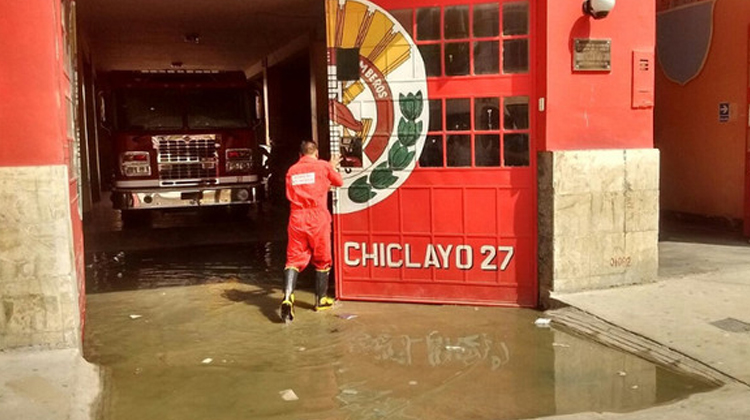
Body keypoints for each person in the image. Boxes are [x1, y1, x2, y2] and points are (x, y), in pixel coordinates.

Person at [280, 140, 343, 322]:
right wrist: (331, 166)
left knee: (293, 259)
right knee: (323, 258)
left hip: (297, 217)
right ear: (316, 153)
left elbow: (292, 192)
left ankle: (287, 297)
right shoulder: (323, 166)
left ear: (300, 155)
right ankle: (321, 300)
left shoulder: (292, 170)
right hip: (317, 217)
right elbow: (338, 182)